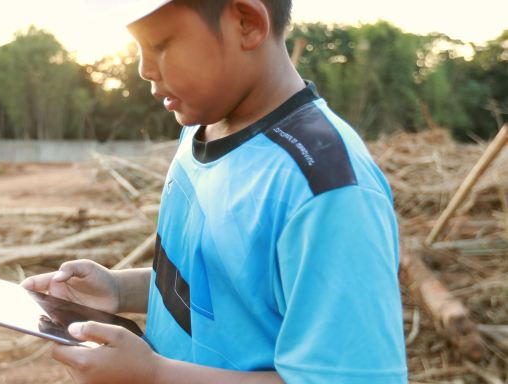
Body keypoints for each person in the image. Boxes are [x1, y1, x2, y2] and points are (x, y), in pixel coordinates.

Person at [21, 0, 408, 382]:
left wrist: (154, 377)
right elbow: (219, 288)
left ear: (246, 23)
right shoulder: (200, 130)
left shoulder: (328, 191)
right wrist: (119, 290)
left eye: (159, 44)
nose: (144, 69)